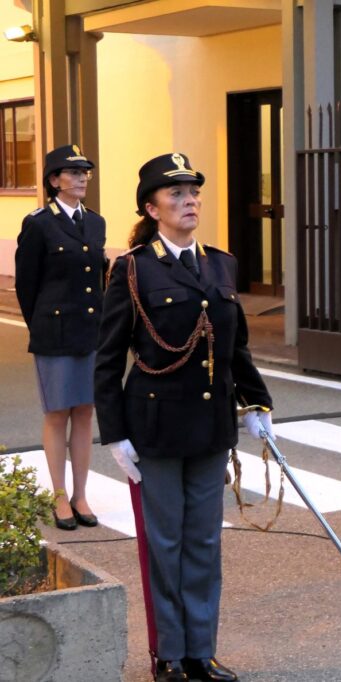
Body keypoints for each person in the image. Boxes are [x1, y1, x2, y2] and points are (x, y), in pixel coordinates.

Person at [94, 153, 273, 682]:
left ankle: (202, 651)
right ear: (152, 208)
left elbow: (236, 347)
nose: (189, 199)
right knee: (165, 542)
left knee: (205, 542)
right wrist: (115, 435)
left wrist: (257, 405)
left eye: (193, 191)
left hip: (211, 426)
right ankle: (169, 655)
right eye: (175, 194)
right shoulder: (132, 268)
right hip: (155, 427)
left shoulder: (221, 263)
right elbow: (108, 358)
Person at [15, 144, 105, 531]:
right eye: (73, 172)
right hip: (54, 331)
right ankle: (59, 496)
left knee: (85, 411)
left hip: (90, 331)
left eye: (85, 171)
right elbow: (26, 286)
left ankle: (82, 494)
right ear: (55, 181)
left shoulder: (96, 222)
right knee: (56, 414)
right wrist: (41, 327)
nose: (82, 177)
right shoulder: (39, 223)